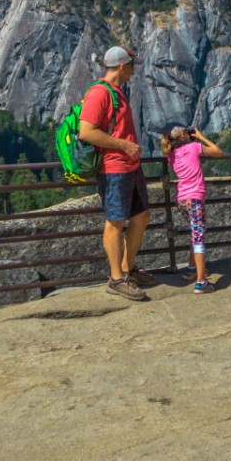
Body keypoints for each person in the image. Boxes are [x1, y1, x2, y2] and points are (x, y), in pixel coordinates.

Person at [78, 46, 155, 301]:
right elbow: (86, 132)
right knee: (115, 222)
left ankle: (128, 268)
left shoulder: (117, 92)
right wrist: (123, 145)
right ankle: (116, 278)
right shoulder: (99, 93)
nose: (134, 70)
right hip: (114, 169)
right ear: (122, 66)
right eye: (132, 65)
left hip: (130, 167)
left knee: (141, 216)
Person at [162, 124, 224, 292]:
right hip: (194, 198)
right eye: (186, 131)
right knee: (198, 237)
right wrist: (201, 137)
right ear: (183, 135)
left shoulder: (171, 155)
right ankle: (200, 282)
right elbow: (218, 152)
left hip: (181, 199)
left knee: (195, 230)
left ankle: (191, 268)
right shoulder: (194, 147)